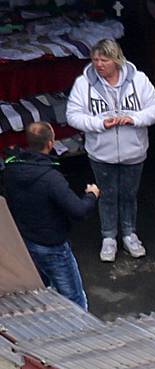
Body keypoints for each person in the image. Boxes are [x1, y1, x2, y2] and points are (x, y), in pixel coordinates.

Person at [64, 37, 155, 264]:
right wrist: (99, 124)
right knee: (107, 196)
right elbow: (72, 115)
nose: (99, 64)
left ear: (116, 59)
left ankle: (129, 235)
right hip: (101, 153)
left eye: (104, 59)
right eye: (95, 59)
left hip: (134, 151)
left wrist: (134, 119)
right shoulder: (83, 84)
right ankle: (108, 238)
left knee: (129, 194)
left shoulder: (138, 80)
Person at [3, 124, 97, 309]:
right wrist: (91, 195)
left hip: (26, 242)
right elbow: (78, 210)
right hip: (53, 246)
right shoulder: (51, 178)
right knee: (74, 299)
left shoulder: (10, 171)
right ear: (50, 143)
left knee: (41, 293)